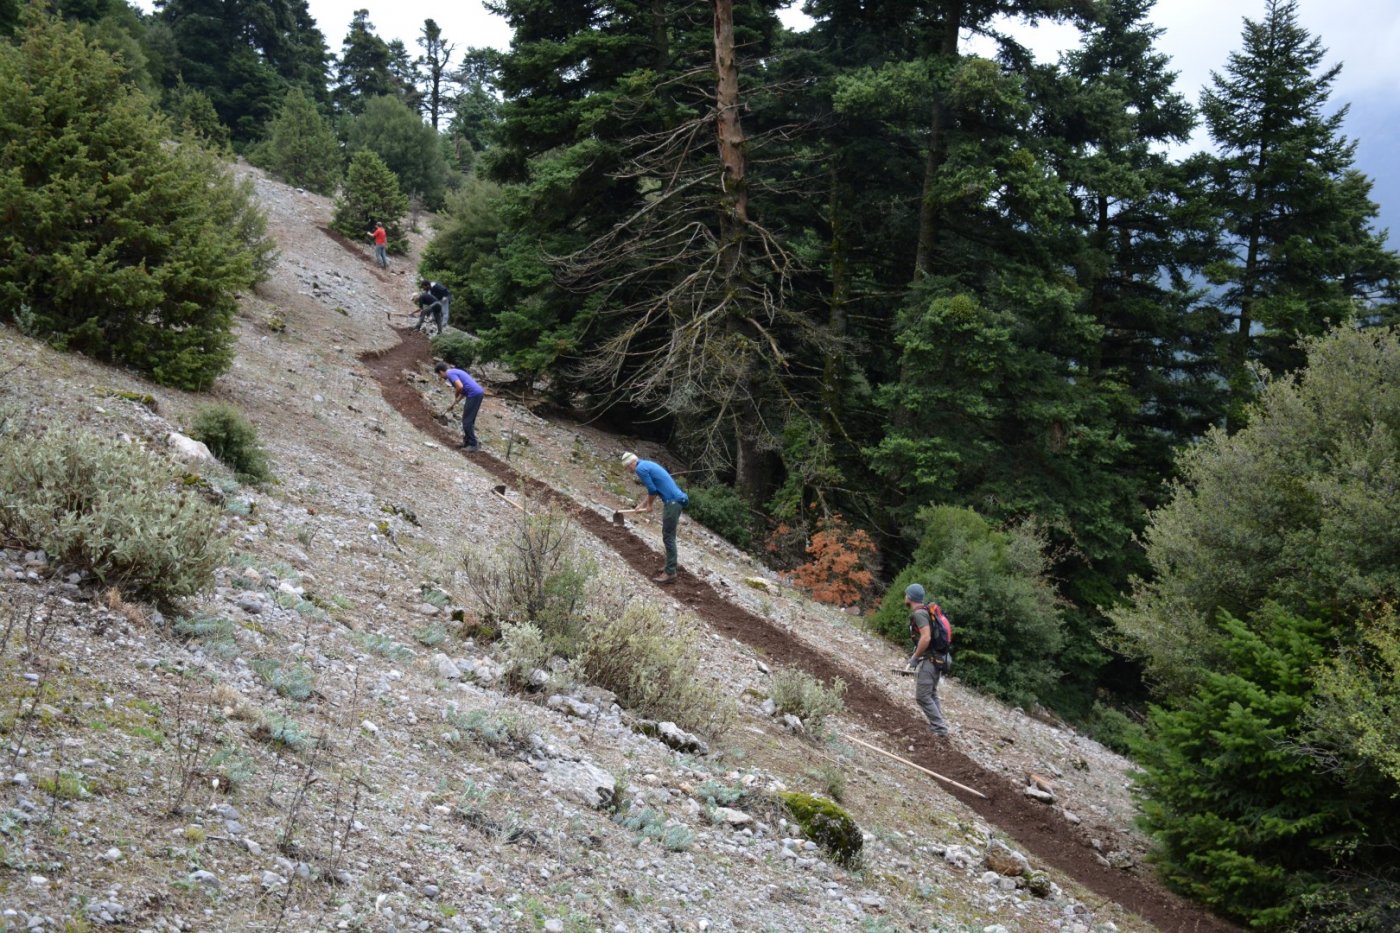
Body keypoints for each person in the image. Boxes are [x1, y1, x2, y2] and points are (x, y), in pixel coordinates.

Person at [621, 452, 688, 584]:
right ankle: (670, 564)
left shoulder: (640, 469)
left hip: (673, 502)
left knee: (668, 536)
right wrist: (641, 505)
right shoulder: (646, 464)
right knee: (669, 535)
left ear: (631, 463)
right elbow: (655, 489)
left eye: (628, 467)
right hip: (677, 500)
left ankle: (670, 572)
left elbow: (652, 490)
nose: (629, 470)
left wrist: (650, 506)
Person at [903, 583, 951, 738]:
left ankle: (939, 728)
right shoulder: (926, 612)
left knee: (922, 696)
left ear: (910, 597)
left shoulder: (919, 614)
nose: (905, 597)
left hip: (931, 660)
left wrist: (915, 658)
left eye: (906, 594)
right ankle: (938, 725)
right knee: (931, 693)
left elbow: (926, 637)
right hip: (938, 658)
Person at [435, 362, 485, 451]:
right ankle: (467, 442)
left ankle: (473, 445)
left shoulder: (450, 374)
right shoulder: (454, 371)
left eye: (439, 375)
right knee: (469, 420)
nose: (441, 377)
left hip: (474, 394)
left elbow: (460, 387)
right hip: (476, 393)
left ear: (441, 372)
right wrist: (456, 402)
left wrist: (455, 395)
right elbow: (464, 389)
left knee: (467, 420)